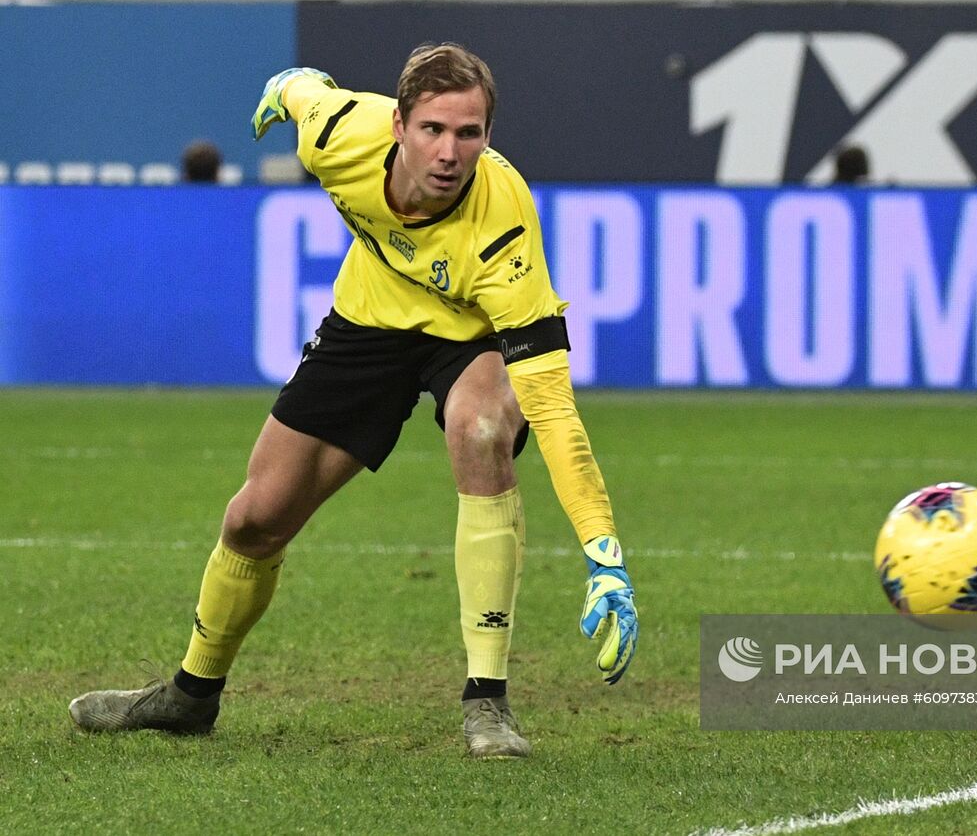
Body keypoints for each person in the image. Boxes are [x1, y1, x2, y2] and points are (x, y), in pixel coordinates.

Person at [68, 44, 639, 759]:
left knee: (482, 428)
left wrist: (603, 554)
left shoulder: (505, 227)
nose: (450, 152)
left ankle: (486, 703)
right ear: (398, 125)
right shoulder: (340, 136)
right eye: (433, 129)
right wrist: (288, 85)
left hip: (469, 338)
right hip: (369, 322)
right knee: (254, 520)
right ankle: (191, 695)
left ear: (488, 135)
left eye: (469, 133)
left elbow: (551, 406)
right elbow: (305, 91)